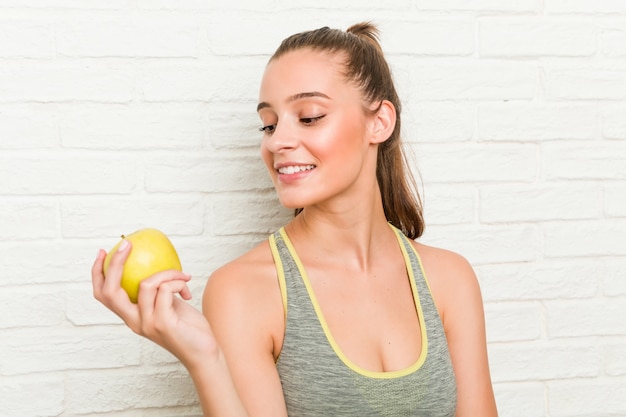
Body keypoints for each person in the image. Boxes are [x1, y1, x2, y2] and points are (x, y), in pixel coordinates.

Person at [92, 22, 498, 417]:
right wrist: (206, 359)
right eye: (268, 124)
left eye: (309, 116)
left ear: (379, 122)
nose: (277, 141)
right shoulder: (243, 291)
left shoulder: (449, 279)